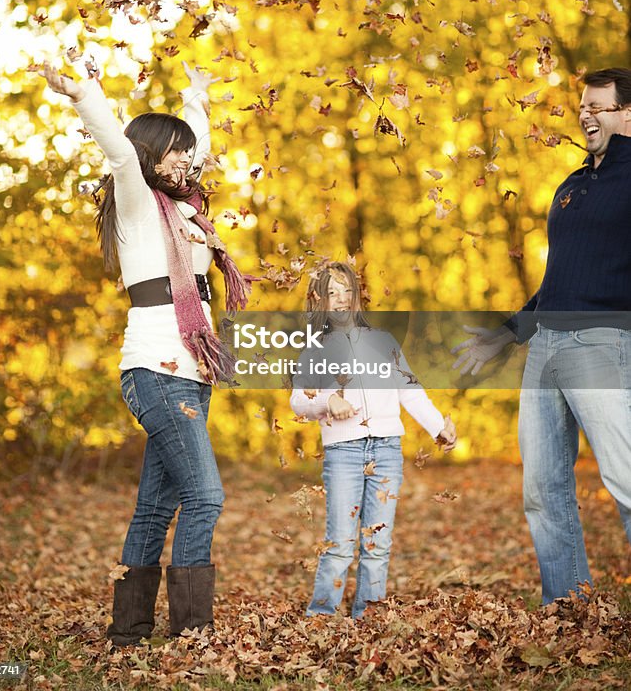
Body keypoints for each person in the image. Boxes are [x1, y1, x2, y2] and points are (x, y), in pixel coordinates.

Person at [37, 60, 252, 645]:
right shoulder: (136, 201)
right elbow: (118, 150)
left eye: (188, 153)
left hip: (192, 372)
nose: (188, 161)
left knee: (156, 509)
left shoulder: (185, 208)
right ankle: (192, 634)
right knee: (206, 497)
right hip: (156, 371)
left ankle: (129, 631)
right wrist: (84, 94)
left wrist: (197, 96)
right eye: (176, 153)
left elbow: (199, 150)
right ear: (153, 156)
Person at [452, 67, 631, 604]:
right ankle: (569, 605)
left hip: (601, 344)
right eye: (582, 105)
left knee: (625, 479)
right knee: (542, 490)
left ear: (627, 114)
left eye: (598, 106)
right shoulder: (573, 186)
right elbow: (556, 284)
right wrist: (504, 336)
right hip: (546, 349)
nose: (586, 114)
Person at [290, 262, 457, 618]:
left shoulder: (383, 341)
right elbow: (298, 399)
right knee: (340, 544)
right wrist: (326, 400)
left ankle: (369, 617)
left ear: (358, 296)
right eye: (330, 293)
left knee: (377, 543)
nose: (340, 300)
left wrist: (436, 426)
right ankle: (320, 617)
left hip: (386, 450)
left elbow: (409, 390)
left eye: (346, 291)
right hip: (344, 453)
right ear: (317, 301)